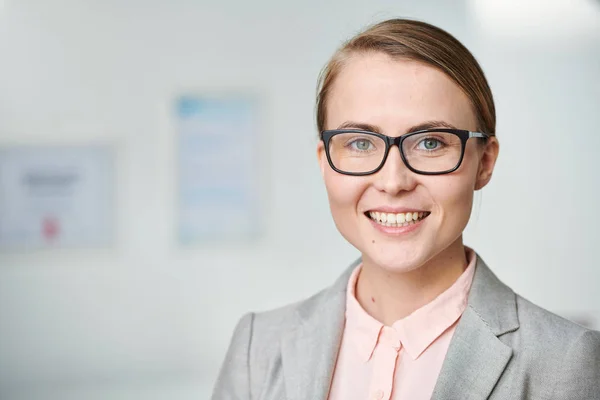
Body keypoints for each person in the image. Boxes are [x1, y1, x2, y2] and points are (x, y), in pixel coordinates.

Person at [211, 18, 600, 400]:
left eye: (430, 142)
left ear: (484, 162)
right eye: (361, 143)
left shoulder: (566, 362)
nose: (393, 182)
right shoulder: (256, 348)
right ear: (325, 161)